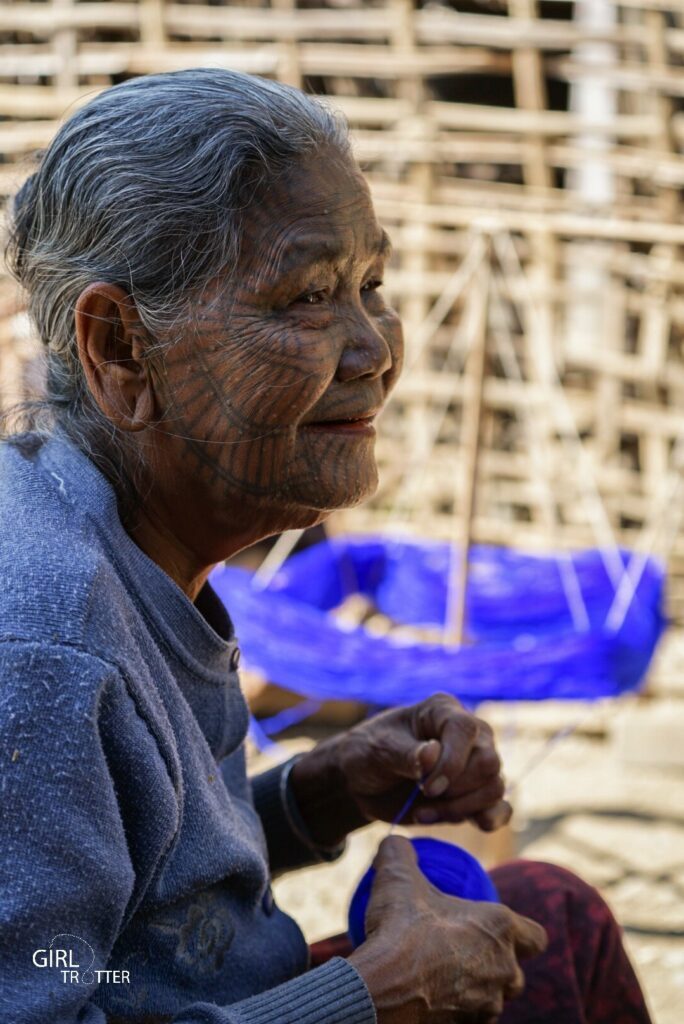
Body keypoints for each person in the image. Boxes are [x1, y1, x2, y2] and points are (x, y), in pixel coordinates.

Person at [0, 69, 651, 1024]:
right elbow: (52, 989)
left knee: (553, 914)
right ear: (121, 351)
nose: (378, 345)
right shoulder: (47, 650)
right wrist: (372, 997)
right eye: (309, 296)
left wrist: (322, 792)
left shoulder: (128, 546)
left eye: (371, 284)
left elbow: (138, 922)